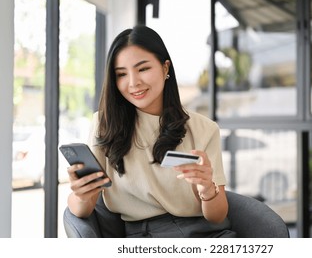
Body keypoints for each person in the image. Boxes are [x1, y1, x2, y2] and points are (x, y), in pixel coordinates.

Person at [67, 25, 235, 238]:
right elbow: (82, 209)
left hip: (204, 233)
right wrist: (80, 194)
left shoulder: (205, 129)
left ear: (165, 69)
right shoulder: (105, 123)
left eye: (143, 69)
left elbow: (217, 216)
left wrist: (208, 190)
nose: (133, 83)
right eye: (121, 74)